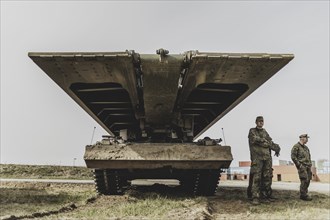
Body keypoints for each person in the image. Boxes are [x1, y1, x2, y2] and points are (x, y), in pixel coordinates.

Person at [247, 116, 280, 205]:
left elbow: (270, 142)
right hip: (257, 158)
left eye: (262, 121)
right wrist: (265, 142)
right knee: (256, 177)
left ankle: (265, 196)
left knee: (267, 177)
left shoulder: (265, 132)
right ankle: (255, 197)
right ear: (256, 122)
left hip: (267, 158)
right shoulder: (252, 131)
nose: (261, 122)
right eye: (259, 121)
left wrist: (276, 148)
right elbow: (255, 140)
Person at [291, 134, 313, 201]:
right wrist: (299, 165)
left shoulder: (306, 148)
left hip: (308, 166)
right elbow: (293, 156)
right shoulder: (296, 146)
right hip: (302, 166)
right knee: (304, 179)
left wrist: (310, 164)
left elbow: (309, 156)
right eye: (306, 138)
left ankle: (305, 193)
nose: (307, 140)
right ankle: (303, 195)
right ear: (302, 138)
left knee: (308, 180)